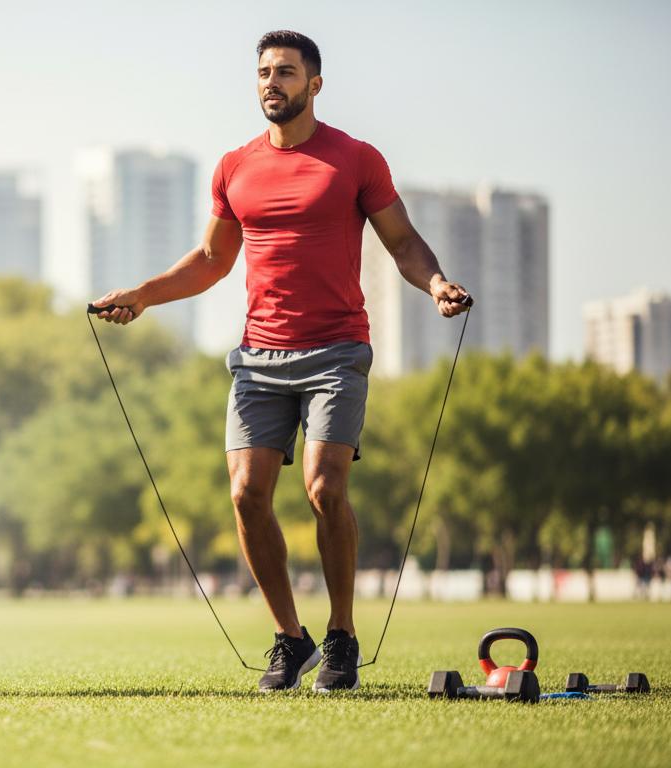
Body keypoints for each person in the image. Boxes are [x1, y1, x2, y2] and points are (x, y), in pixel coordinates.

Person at [92, 30, 472, 692]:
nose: (273, 81)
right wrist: (143, 296)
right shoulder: (235, 167)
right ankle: (290, 639)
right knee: (245, 494)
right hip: (259, 357)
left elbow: (403, 241)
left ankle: (342, 636)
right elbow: (211, 260)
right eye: (264, 72)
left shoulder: (355, 159)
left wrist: (436, 282)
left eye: (287, 72)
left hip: (336, 350)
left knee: (325, 490)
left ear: (314, 85)